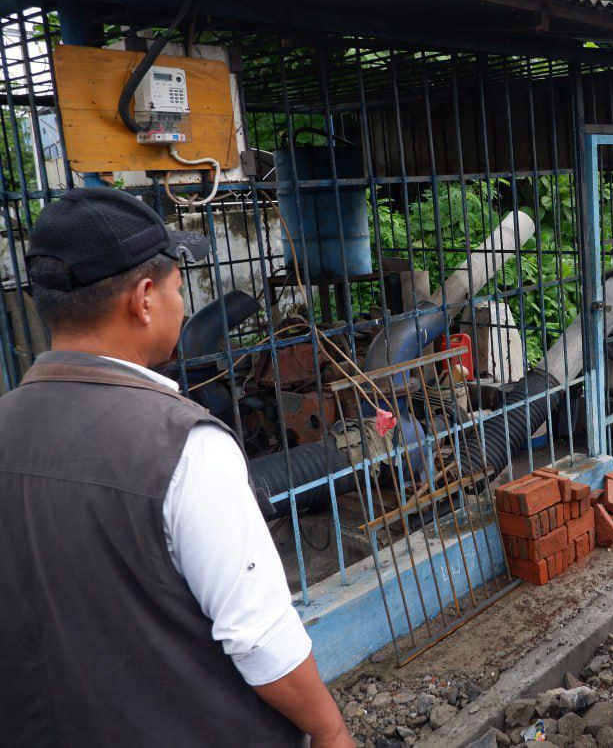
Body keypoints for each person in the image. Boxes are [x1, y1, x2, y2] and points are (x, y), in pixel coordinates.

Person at [0, 187, 353, 748]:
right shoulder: (185, 446)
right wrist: (332, 731)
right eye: (178, 286)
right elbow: (260, 637)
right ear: (144, 299)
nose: (183, 302)